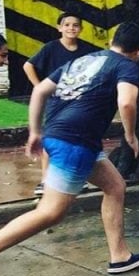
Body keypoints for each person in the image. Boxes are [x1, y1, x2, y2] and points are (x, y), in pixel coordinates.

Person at [0, 22, 139, 274]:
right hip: (75, 142)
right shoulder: (127, 66)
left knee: (114, 186)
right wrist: (130, 136)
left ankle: (120, 256)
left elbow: (40, 91)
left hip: (64, 136)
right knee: (50, 212)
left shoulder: (86, 60)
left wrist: (35, 131)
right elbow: (127, 103)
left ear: (114, 40)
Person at [23, 12, 97, 196]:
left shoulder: (86, 50)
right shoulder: (51, 48)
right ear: (59, 28)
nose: (71, 28)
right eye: (67, 25)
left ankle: (79, 178)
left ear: (81, 29)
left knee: (79, 138)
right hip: (56, 101)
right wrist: (39, 86)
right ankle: (45, 179)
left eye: (75, 25)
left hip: (78, 102)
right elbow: (28, 65)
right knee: (52, 138)